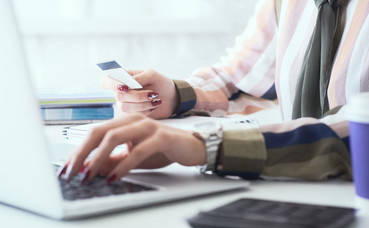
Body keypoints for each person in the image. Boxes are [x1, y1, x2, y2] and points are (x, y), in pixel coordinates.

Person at [58, 0, 368, 184]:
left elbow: (357, 131)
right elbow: (242, 78)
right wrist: (173, 96)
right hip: (293, 192)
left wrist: (207, 146)